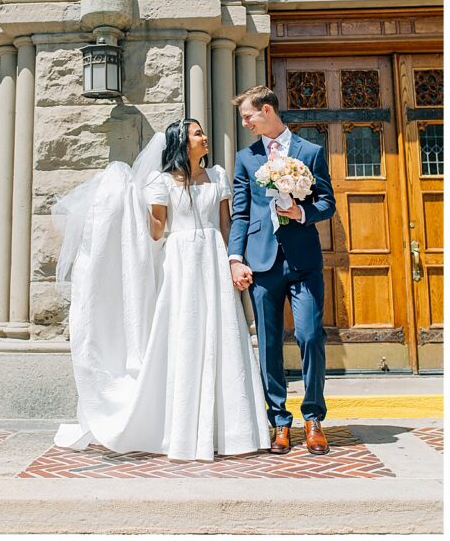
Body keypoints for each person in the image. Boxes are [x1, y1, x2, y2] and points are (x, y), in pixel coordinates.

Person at [55, 118, 269, 461]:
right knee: (184, 335)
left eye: (202, 130)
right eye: (198, 133)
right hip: (181, 264)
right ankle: (182, 430)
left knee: (224, 335)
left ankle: (231, 432)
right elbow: (157, 232)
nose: (204, 136)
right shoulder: (161, 182)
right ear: (182, 143)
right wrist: (130, 202)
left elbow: (226, 225)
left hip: (213, 259)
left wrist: (234, 261)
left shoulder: (217, 176)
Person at [229, 85, 335, 456]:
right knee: (270, 345)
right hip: (261, 261)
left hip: (303, 261)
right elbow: (240, 212)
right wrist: (235, 259)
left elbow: (327, 202)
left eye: (248, 115)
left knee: (309, 336)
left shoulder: (311, 152)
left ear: (268, 109)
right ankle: (279, 421)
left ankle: (313, 418)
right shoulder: (246, 158)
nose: (245, 122)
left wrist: (302, 213)